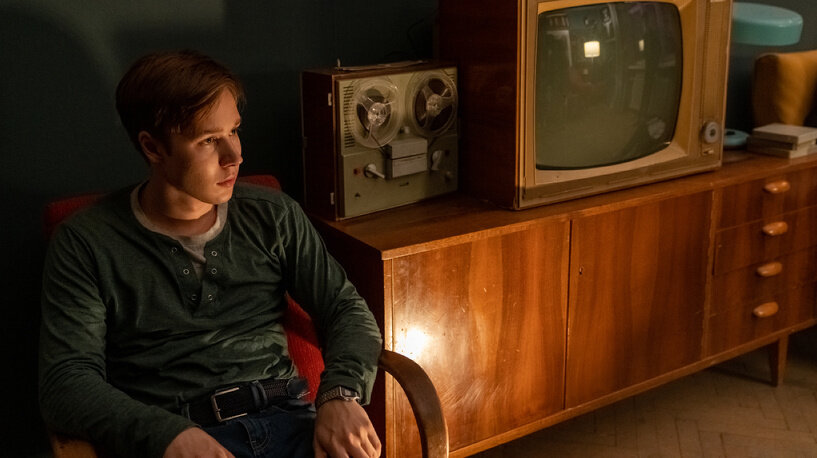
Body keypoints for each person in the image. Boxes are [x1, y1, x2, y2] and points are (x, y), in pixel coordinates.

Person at [39, 50, 383, 458]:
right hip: (174, 436)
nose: (235, 156)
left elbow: (345, 309)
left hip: (289, 422)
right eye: (208, 141)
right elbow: (67, 382)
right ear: (153, 147)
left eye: (234, 130)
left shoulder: (273, 215)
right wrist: (166, 435)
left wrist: (341, 393)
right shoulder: (86, 242)